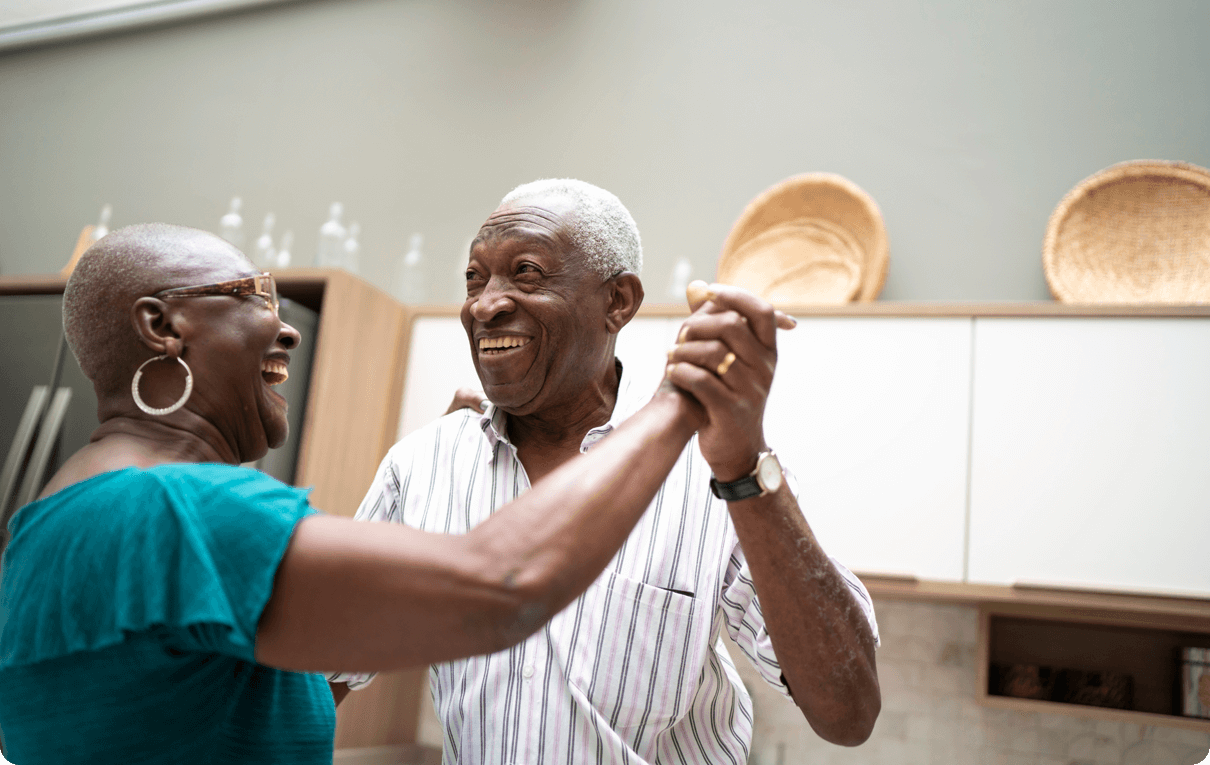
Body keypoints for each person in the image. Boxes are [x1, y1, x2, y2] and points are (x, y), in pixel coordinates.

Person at [0, 223, 758, 764]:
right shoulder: (179, 511)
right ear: (162, 326)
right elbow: (504, 587)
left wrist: (446, 472)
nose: (285, 328)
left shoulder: (48, 524)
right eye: (252, 295)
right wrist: (680, 402)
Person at [329, 179, 882, 763]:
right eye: (474, 278)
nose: (485, 304)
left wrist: (745, 468)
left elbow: (847, 712)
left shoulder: (710, 469)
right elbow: (323, 673)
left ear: (617, 301)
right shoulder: (423, 467)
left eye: (526, 273)